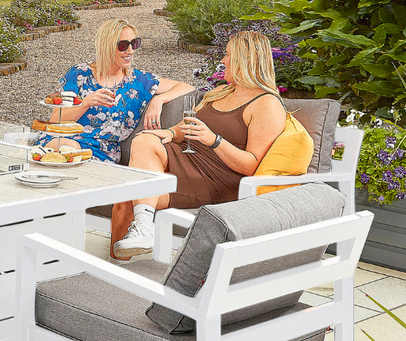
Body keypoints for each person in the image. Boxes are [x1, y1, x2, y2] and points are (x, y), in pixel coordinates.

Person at [111, 30, 287, 260]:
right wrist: (170, 132)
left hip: (216, 179)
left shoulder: (267, 104)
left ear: (245, 60)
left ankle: (140, 233)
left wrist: (214, 141)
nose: (222, 61)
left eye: (227, 55)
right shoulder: (220, 92)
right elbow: (188, 126)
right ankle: (128, 255)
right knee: (143, 146)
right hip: (188, 160)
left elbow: (251, 166)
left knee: (133, 191)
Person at [40, 18, 194, 165]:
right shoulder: (79, 74)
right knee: (62, 148)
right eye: (123, 45)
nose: (130, 51)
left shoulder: (139, 81)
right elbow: (55, 120)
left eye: (134, 44)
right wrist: (86, 103)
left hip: (100, 152)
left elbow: (187, 87)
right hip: (62, 141)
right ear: (106, 46)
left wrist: (158, 100)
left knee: (68, 153)